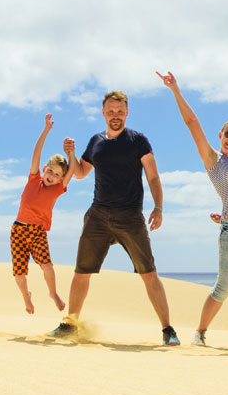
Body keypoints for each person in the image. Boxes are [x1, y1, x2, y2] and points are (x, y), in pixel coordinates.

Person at [47, 91, 179, 346]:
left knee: (148, 273)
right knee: (81, 272)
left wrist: (159, 206)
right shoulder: (95, 141)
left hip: (130, 216)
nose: (115, 115)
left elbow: (152, 176)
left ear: (127, 112)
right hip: (98, 215)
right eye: (110, 111)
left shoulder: (138, 140)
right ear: (103, 113)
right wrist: (72, 154)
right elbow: (82, 173)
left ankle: (168, 331)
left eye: (120, 111)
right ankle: (69, 325)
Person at [157, 70, 228, 351]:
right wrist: (176, 90)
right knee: (224, 286)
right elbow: (191, 122)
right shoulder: (214, 160)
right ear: (220, 135)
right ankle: (200, 332)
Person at [11, 113, 73, 314]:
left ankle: (53, 293)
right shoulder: (33, 178)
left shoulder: (57, 189)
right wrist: (46, 130)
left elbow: (71, 171)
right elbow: (36, 152)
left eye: (57, 176)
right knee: (19, 274)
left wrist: (71, 153)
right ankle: (26, 297)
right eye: (50, 171)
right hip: (18, 231)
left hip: (37, 233)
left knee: (47, 266)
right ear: (44, 168)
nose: (52, 177)